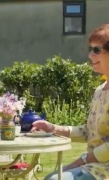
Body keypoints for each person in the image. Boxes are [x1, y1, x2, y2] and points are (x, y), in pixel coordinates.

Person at [32, 24, 109, 180]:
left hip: (104, 170)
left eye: (96, 50)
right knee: (52, 177)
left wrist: (82, 160)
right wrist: (53, 128)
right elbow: (88, 132)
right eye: (90, 49)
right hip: (93, 166)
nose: (90, 56)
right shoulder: (100, 91)